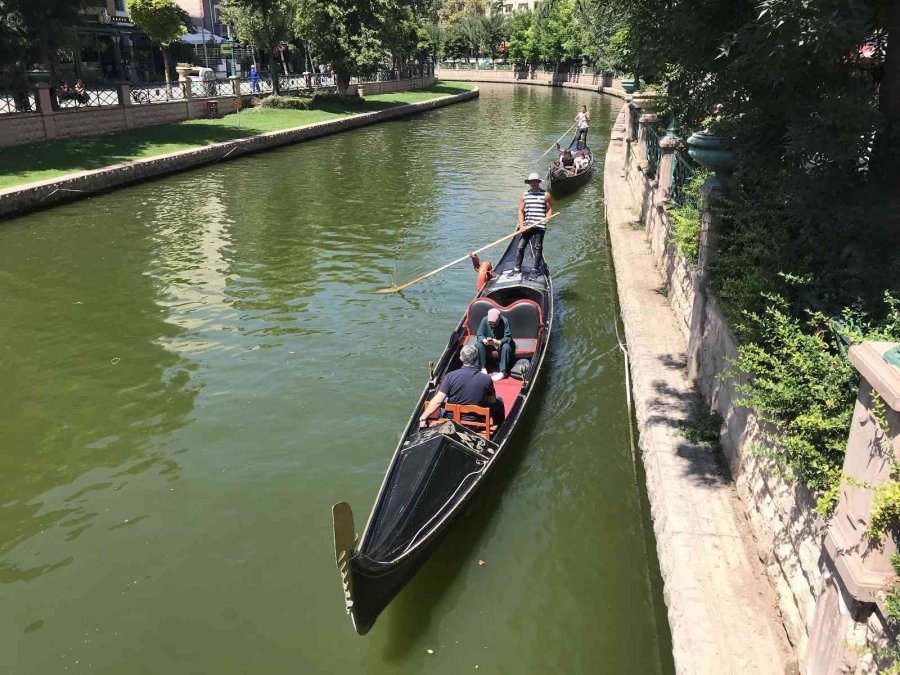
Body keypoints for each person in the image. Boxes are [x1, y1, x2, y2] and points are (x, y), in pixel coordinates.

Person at [418, 345, 506, 428]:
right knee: (499, 401)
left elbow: (437, 402)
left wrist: (423, 418)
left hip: (452, 422)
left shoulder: (450, 376)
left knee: (444, 400)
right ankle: (499, 430)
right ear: (476, 359)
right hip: (475, 424)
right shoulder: (486, 379)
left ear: (461, 358)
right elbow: (492, 400)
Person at [514, 172, 553, 274]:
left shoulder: (546, 194)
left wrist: (547, 218)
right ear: (529, 183)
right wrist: (522, 226)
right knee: (520, 247)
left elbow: (549, 210)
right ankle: (517, 269)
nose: (533, 184)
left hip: (540, 226)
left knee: (538, 247)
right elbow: (520, 211)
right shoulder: (524, 195)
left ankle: (535, 269)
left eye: (535, 182)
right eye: (532, 182)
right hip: (527, 225)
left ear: (538, 182)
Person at [476, 308, 515, 381]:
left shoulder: (505, 321)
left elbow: (508, 338)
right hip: (488, 345)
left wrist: (497, 342)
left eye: (494, 323)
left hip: (500, 344)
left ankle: (503, 371)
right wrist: (484, 340)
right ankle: (482, 368)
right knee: (478, 344)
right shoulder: (484, 320)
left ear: (499, 318)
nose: (492, 325)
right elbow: (479, 335)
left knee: (506, 346)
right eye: (490, 323)